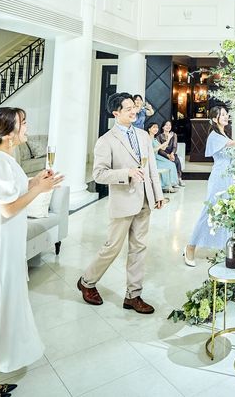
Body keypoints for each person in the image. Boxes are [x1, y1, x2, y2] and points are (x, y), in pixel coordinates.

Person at [0, 107, 63, 397]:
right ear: (8, 133)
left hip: (3, 247)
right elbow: (7, 208)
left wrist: (35, 182)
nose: (27, 127)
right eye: (23, 123)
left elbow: (11, 192)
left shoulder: (3, 159)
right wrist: (39, 190)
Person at [77, 93, 164, 314]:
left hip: (145, 199)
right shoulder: (106, 141)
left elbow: (151, 167)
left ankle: (133, 296)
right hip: (123, 202)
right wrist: (127, 173)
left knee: (139, 248)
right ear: (116, 113)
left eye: (134, 107)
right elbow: (99, 174)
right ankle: (87, 281)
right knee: (112, 247)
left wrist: (158, 193)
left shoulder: (143, 135)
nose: (134, 111)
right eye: (128, 109)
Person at [183, 105, 235, 266]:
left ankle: (226, 247)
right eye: (222, 114)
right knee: (209, 212)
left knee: (226, 213)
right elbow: (233, 144)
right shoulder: (214, 135)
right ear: (214, 119)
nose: (226, 116)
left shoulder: (223, 133)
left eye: (226, 114)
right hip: (219, 178)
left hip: (227, 177)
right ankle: (190, 247)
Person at [147, 122, 179, 193]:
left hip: (157, 157)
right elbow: (151, 151)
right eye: (154, 127)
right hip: (151, 158)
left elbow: (163, 148)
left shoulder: (155, 139)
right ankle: (164, 186)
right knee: (167, 166)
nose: (156, 129)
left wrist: (168, 139)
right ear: (149, 129)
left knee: (172, 164)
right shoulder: (147, 139)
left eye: (157, 127)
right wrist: (161, 146)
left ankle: (170, 184)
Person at [158, 119, 186, 186]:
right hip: (163, 154)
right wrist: (167, 155)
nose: (168, 126)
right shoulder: (159, 136)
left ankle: (179, 178)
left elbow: (175, 146)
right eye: (166, 125)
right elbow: (160, 150)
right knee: (172, 161)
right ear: (163, 127)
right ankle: (173, 181)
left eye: (170, 125)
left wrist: (172, 153)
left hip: (172, 153)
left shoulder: (174, 135)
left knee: (176, 160)